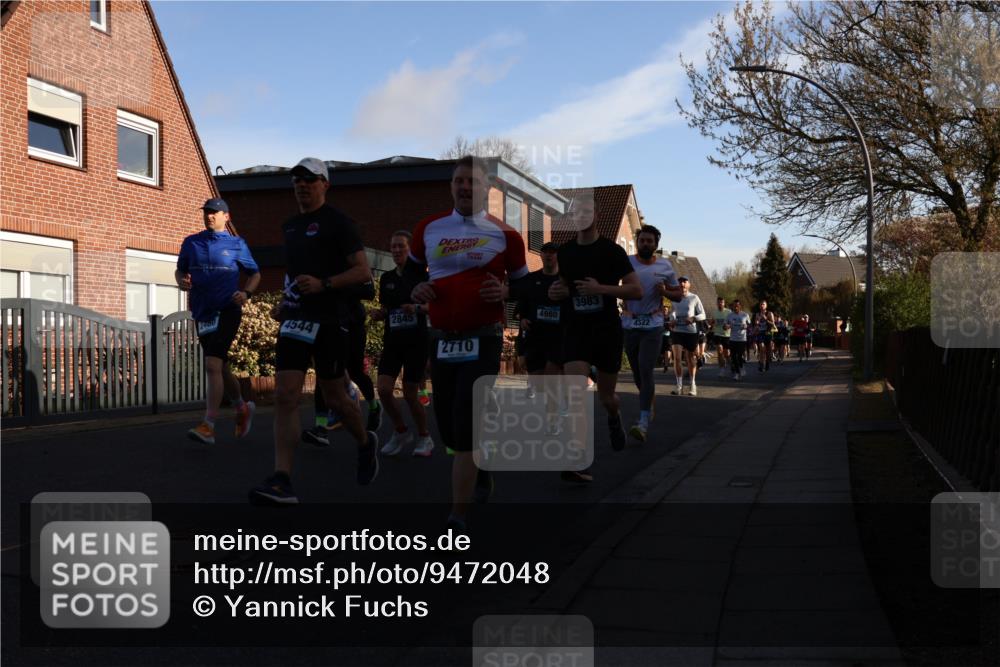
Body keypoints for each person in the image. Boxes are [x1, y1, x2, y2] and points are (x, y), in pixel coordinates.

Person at [249, 158, 379, 505]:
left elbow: (363, 273)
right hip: (296, 319)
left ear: (325, 184)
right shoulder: (290, 226)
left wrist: (325, 284)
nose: (302, 184)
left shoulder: (340, 223)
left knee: (335, 397)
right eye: (297, 180)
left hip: (330, 319)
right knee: (285, 395)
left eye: (309, 179)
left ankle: (365, 442)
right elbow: (293, 274)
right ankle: (282, 479)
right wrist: (286, 301)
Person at [409, 155, 529, 529]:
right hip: (442, 338)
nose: (464, 187)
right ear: (451, 186)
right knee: (448, 425)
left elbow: (527, 287)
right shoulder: (428, 228)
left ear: (486, 189)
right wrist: (417, 288)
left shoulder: (506, 235)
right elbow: (410, 275)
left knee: (466, 419)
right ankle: (481, 465)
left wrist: (507, 291)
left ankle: (457, 516)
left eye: (472, 181)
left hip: (484, 336)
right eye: (458, 181)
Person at [548, 194, 642, 469]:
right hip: (576, 328)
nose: (581, 215)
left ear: (597, 215)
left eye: (586, 211)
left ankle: (614, 416)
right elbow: (561, 287)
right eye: (576, 212)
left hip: (606, 330)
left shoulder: (612, 251)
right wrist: (556, 292)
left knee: (606, 397)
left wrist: (600, 289)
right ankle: (578, 455)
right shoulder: (565, 252)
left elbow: (636, 290)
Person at [176, 198, 261, 445]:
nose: (209, 216)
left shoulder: (237, 244)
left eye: (214, 212)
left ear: (226, 216)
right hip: (202, 312)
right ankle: (242, 408)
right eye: (207, 212)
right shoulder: (191, 242)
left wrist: (246, 293)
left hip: (228, 310)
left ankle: (208, 425)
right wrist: (181, 280)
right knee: (221, 366)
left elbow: (255, 274)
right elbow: (180, 270)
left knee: (212, 364)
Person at [372, 230, 434, 457]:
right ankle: (401, 431)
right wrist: (380, 314)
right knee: (383, 390)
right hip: (393, 342)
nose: (396, 250)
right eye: (393, 247)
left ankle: (425, 437)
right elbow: (388, 309)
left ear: (411, 249)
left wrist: (416, 308)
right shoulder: (386, 278)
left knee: (409, 393)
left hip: (416, 341)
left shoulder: (423, 277)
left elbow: (436, 308)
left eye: (401, 246)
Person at [620, 226, 682, 442]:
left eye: (649, 241)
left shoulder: (665, 266)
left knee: (646, 368)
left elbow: (679, 295)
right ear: (637, 242)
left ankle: (643, 422)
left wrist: (665, 291)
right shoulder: (627, 262)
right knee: (638, 374)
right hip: (630, 323)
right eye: (642, 240)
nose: (645, 244)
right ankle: (648, 402)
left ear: (656, 245)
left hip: (653, 325)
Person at [511, 241, 566, 438]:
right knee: (539, 383)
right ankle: (559, 400)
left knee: (551, 380)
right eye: (545, 252)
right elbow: (520, 309)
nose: (549, 255)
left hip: (557, 337)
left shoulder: (565, 280)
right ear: (541, 256)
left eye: (553, 252)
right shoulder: (530, 280)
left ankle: (553, 421)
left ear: (558, 256)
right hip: (535, 338)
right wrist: (523, 319)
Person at [669, 277, 706, 396]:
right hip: (677, 330)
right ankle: (679, 386)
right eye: (680, 282)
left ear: (689, 284)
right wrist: (672, 319)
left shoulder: (694, 298)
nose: (682, 284)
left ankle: (692, 384)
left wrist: (693, 318)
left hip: (690, 331)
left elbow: (703, 315)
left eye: (685, 282)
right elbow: (672, 312)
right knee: (677, 358)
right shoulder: (674, 298)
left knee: (690, 358)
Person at [724, 300, 751, 380]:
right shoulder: (729, 315)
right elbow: (724, 326)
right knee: (733, 356)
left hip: (742, 339)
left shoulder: (745, 315)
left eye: (737, 306)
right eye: (734, 306)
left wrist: (746, 326)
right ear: (732, 306)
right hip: (733, 339)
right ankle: (737, 373)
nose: (735, 307)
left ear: (740, 306)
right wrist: (727, 326)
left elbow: (749, 325)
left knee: (739, 356)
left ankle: (741, 367)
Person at [710, 296, 732, 379]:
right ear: (717, 303)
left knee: (727, 354)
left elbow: (732, 323)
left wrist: (728, 326)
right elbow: (712, 322)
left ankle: (731, 365)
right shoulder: (714, 312)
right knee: (719, 351)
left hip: (727, 335)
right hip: (717, 334)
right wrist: (711, 324)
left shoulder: (729, 312)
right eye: (719, 302)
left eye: (722, 302)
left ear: (724, 303)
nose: (720, 304)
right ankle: (722, 369)